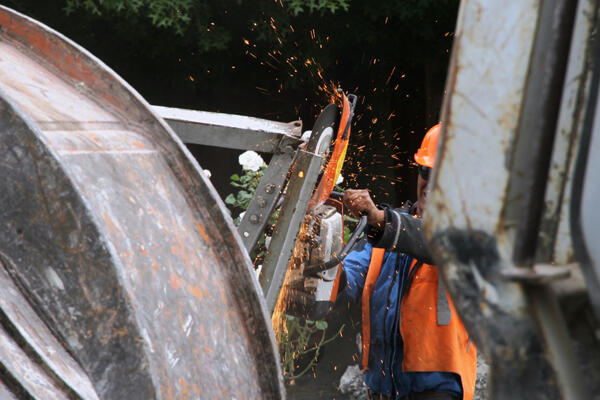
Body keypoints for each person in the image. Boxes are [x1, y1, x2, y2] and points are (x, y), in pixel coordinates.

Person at [339, 124, 477, 400]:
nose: (431, 183)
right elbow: (352, 274)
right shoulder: (390, 231)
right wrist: (324, 269)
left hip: (437, 389)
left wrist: (380, 220)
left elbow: (430, 241)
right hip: (384, 386)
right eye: (427, 172)